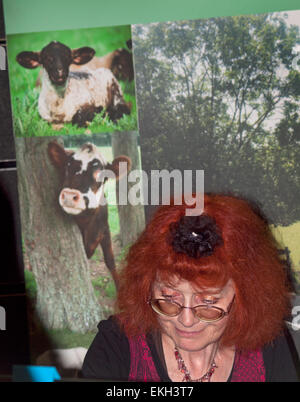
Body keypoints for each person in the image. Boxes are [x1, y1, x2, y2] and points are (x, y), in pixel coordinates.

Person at [82, 193, 300, 382]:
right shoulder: (116, 345)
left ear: (244, 295)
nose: (186, 321)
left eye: (208, 303)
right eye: (168, 299)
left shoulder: (268, 346)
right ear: (146, 288)